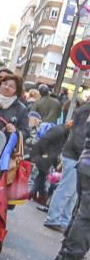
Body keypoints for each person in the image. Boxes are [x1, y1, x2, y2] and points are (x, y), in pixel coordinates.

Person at [45, 93, 90, 231]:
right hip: (75, 155)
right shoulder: (86, 112)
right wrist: (82, 153)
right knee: (67, 190)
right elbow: (80, 136)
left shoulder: (84, 110)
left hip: (75, 155)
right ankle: (54, 218)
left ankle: (63, 220)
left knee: (72, 192)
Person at [29, 117, 68, 206]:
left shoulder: (61, 131)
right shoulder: (60, 131)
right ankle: (40, 195)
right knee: (43, 174)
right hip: (44, 154)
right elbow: (46, 139)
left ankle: (33, 193)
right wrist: (45, 153)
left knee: (42, 174)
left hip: (46, 155)